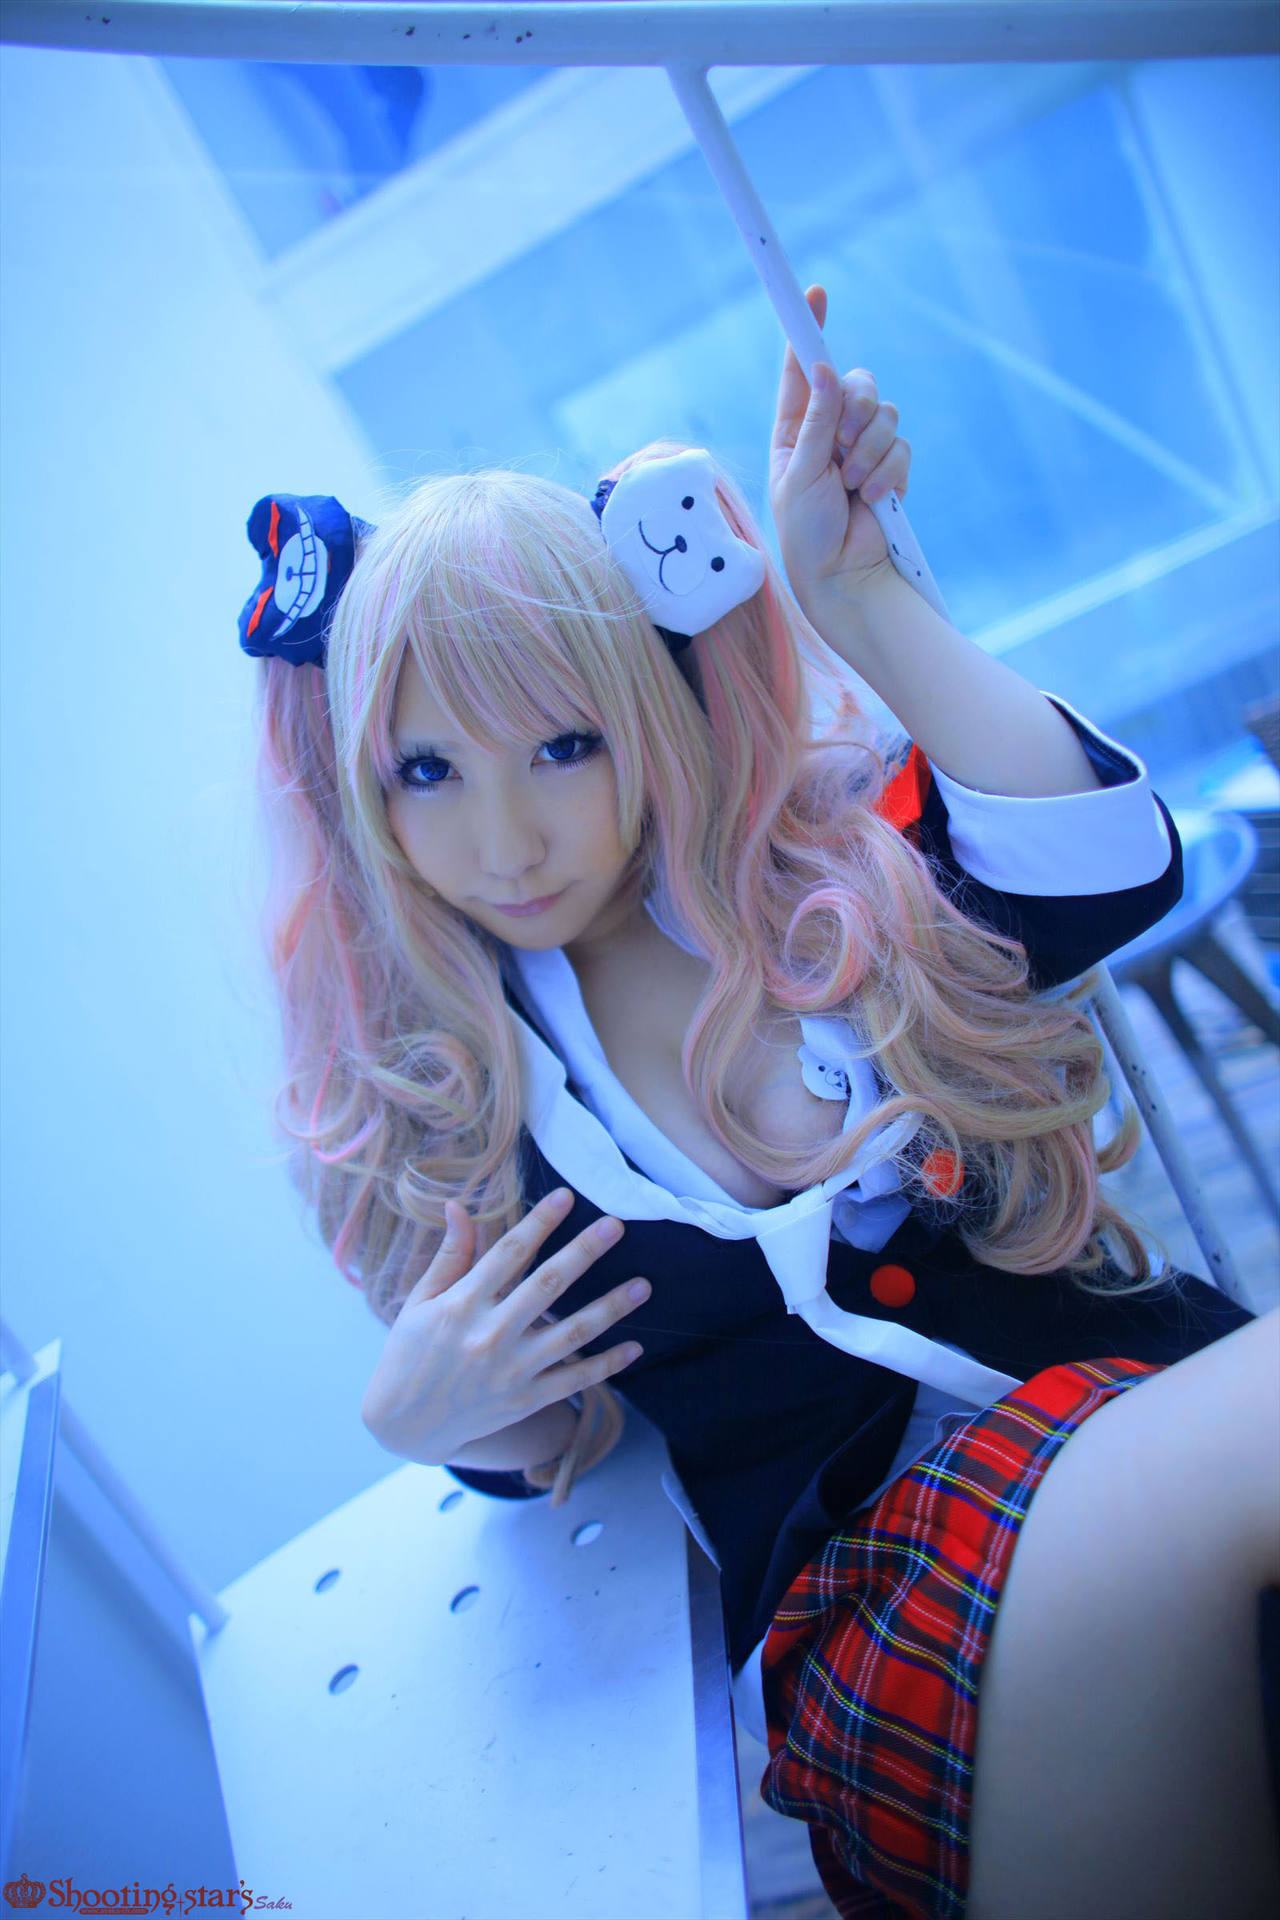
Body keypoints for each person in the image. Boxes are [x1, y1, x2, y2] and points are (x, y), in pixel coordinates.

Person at [239, 283, 1279, 1918]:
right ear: (360, 796)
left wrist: (858, 598)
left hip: (1144, 1441)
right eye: (426, 772)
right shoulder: (462, 1112)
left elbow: (1099, 867)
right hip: (892, 1622)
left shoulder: (820, 894)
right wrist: (429, 1421)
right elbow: (556, 1442)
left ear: (648, 713)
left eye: (564, 746)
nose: (502, 840)